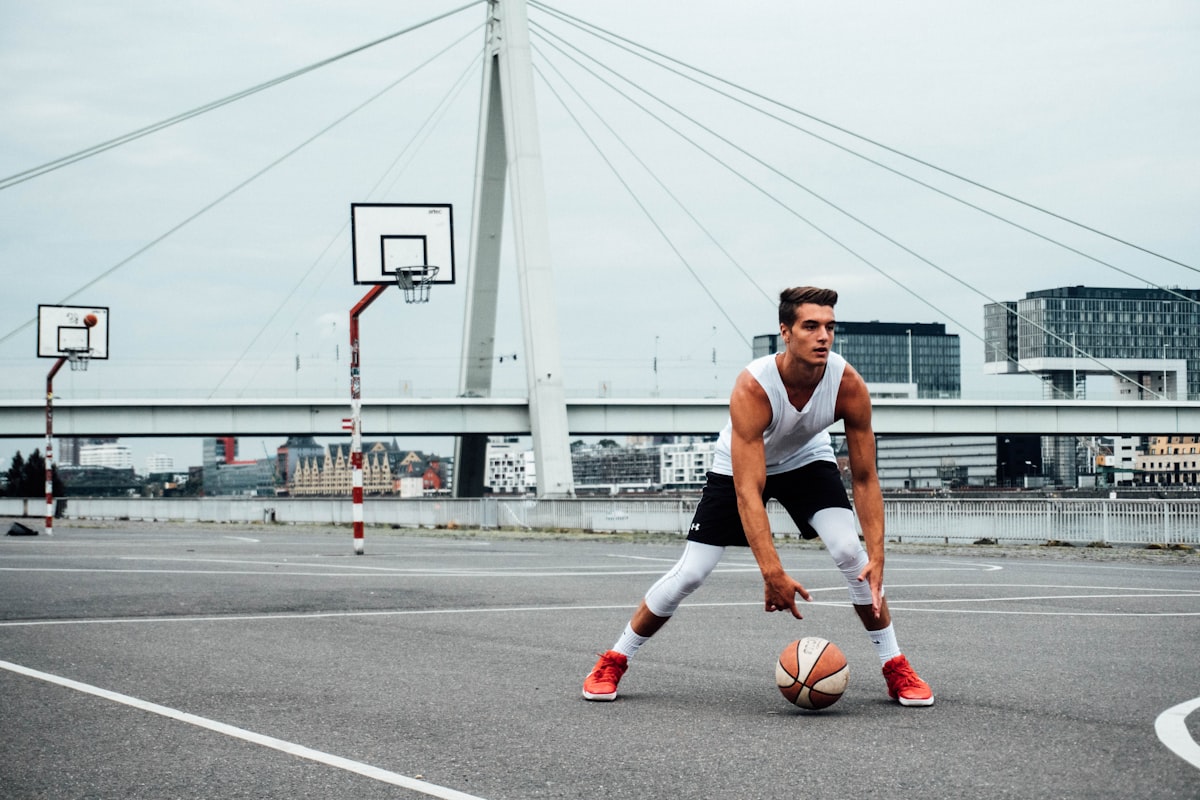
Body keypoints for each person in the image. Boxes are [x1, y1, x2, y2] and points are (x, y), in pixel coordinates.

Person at [582, 286, 934, 706]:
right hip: (739, 467)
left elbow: (864, 476)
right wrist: (772, 572)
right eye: (810, 326)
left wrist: (878, 554)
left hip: (806, 459)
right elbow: (749, 491)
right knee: (692, 572)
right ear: (785, 332)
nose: (823, 336)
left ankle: (895, 666)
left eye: (829, 327)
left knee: (852, 555)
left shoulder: (848, 385)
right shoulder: (754, 387)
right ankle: (614, 660)